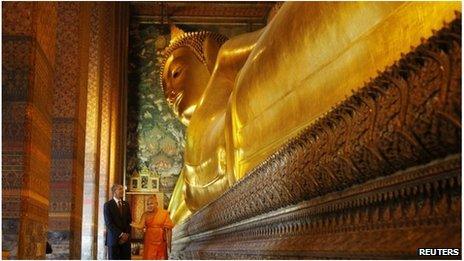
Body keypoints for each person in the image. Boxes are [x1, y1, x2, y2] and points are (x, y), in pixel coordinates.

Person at [131, 195, 174, 260]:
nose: (149, 206)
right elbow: (140, 226)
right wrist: (130, 223)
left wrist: (169, 245)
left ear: (156, 204)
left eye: (151, 203)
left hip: (161, 241)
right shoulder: (145, 214)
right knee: (149, 257)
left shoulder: (164, 213)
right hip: (149, 241)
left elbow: (169, 229)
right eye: (148, 204)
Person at [104, 184, 132, 260]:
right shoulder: (108, 205)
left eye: (122, 189)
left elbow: (129, 221)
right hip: (113, 240)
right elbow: (109, 223)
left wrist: (126, 235)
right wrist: (121, 234)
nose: (122, 191)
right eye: (120, 189)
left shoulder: (126, 204)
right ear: (114, 191)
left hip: (126, 240)